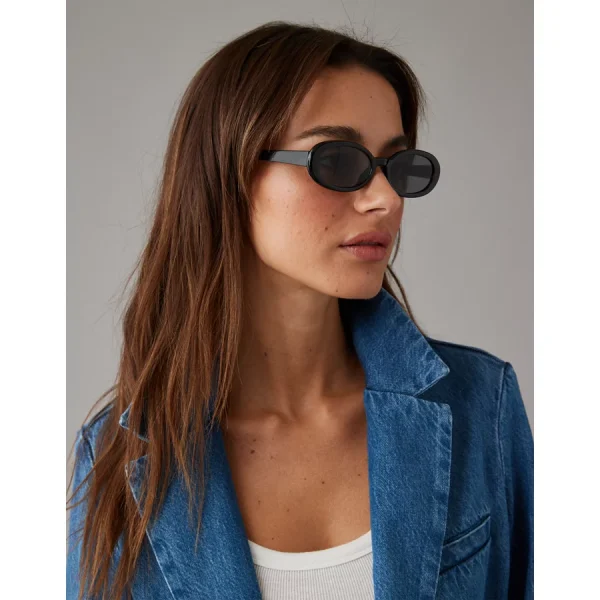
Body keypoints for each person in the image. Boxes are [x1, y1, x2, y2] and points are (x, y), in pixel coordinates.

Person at [66, 20, 533, 600]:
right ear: (229, 174)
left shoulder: (480, 407)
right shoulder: (124, 457)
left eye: (398, 166)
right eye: (336, 162)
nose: (385, 198)